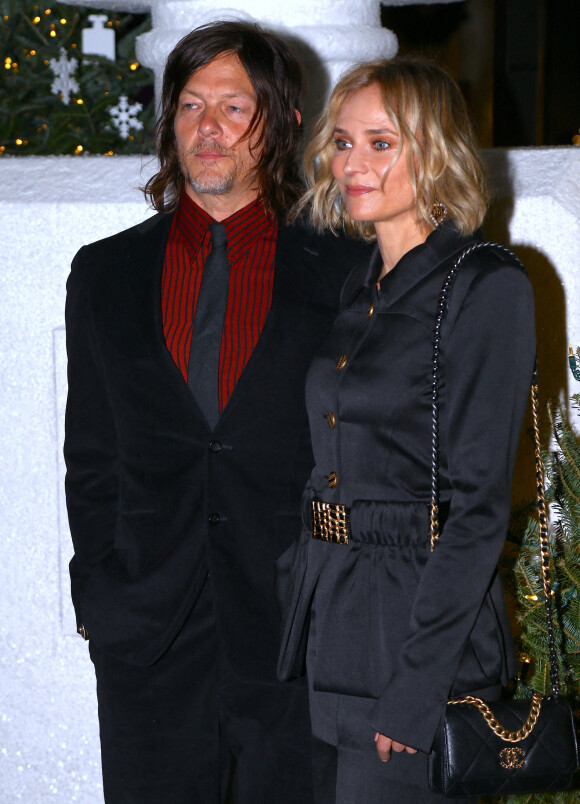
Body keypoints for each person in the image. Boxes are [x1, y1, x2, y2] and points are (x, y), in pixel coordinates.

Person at [64, 20, 369, 803]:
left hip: (296, 642)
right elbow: (91, 456)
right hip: (147, 642)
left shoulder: (348, 271)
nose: (207, 128)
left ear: (282, 120)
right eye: (191, 105)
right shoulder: (104, 274)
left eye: (234, 108)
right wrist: (101, 593)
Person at [277, 57, 536, 802]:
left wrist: (417, 686)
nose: (353, 163)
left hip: (415, 638)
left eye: (381, 143)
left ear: (435, 150)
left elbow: (478, 507)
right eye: (343, 141)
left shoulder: (485, 284)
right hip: (337, 620)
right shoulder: (361, 284)